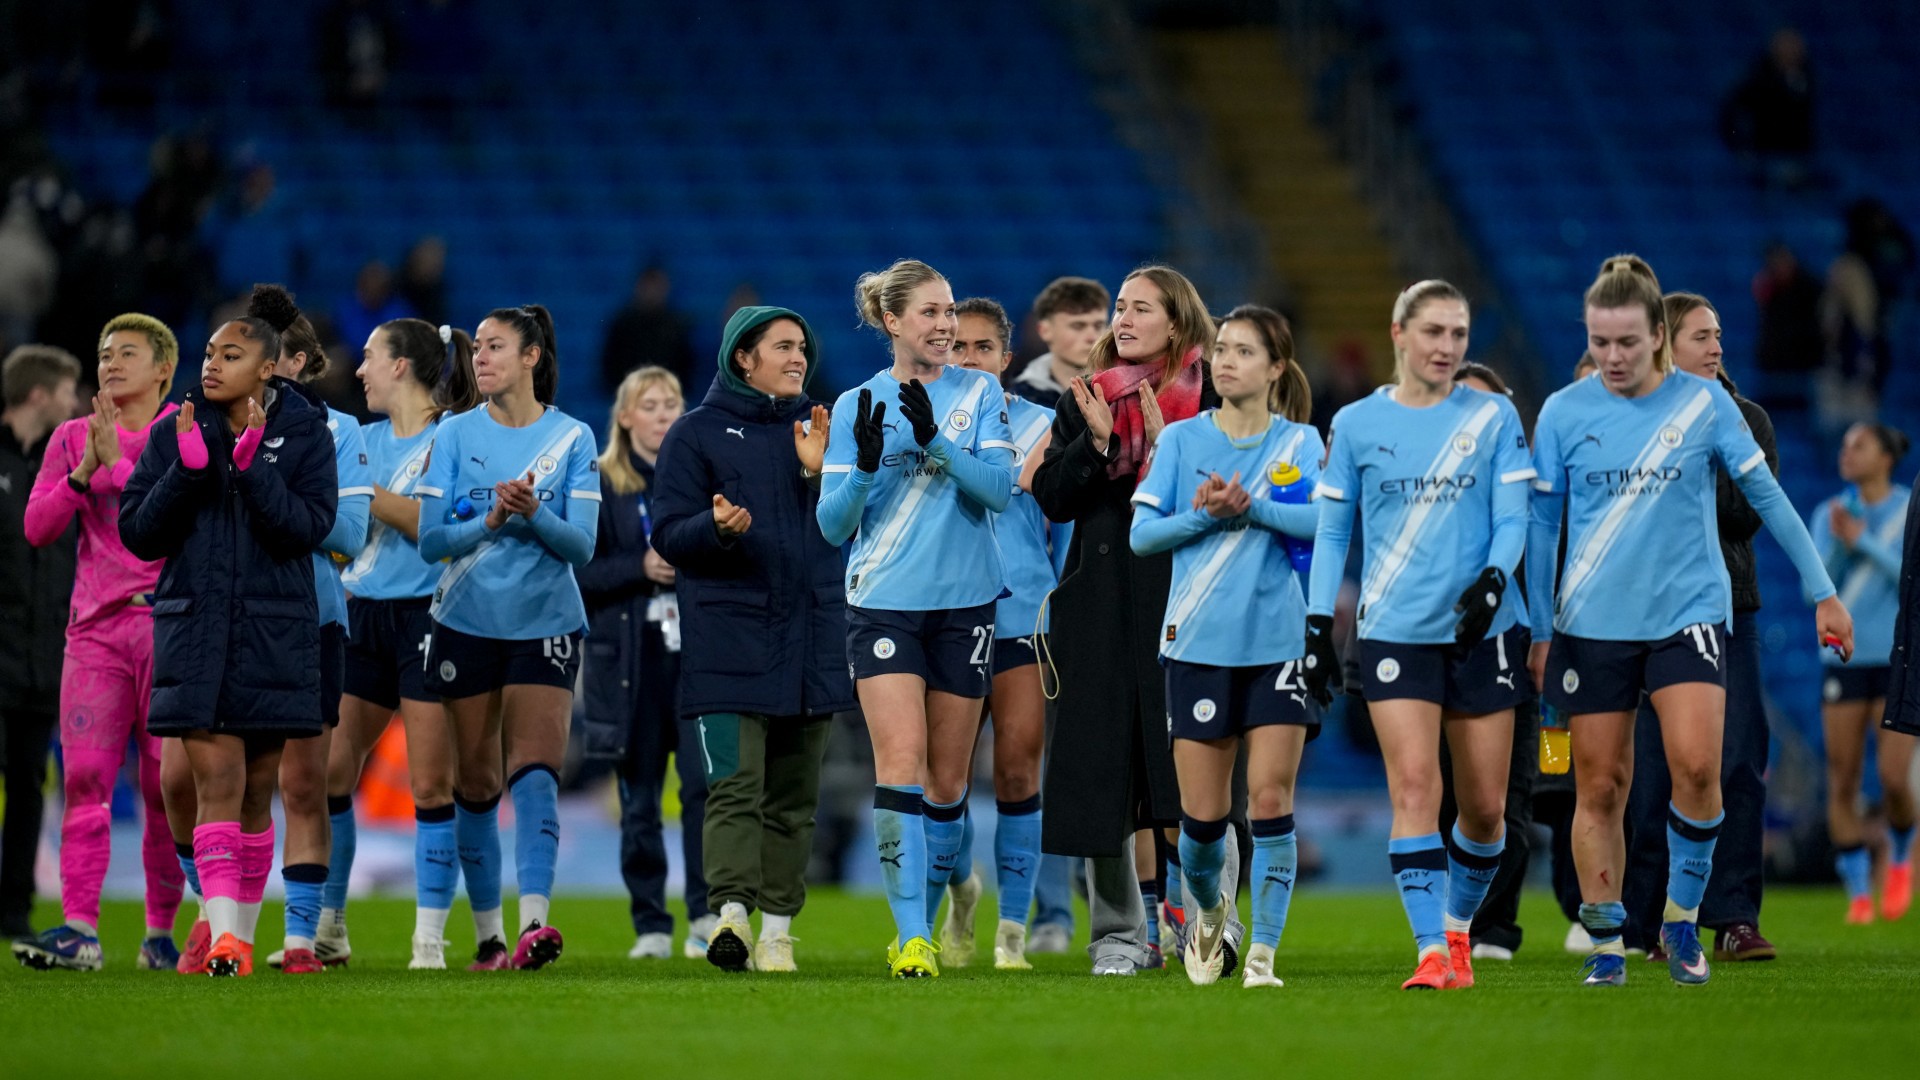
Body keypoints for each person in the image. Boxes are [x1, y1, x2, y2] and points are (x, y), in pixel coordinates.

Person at [1526, 255, 1851, 989]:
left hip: (1689, 615)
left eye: (1627, 343)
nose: (1612, 358)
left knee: (1700, 771)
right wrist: (1540, 627)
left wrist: (1822, 590)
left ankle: (1681, 916)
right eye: (1599, 342)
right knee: (1600, 787)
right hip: (1592, 625)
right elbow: (1543, 524)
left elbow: (1766, 498)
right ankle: (1608, 942)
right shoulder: (1563, 412)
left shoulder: (1704, 406)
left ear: (1658, 339)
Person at [1305, 281, 1534, 991]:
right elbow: (1334, 530)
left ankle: (1461, 928)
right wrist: (1318, 624)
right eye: (1433, 331)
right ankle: (1432, 949)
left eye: (1459, 334)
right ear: (1399, 333)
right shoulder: (1356, 423)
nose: (1446, 347)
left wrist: (1495, 579)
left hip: (1483, 630)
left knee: (1487, 811)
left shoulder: (1494, 416)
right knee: (1412, 786)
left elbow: (1514, 516)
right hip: (1394, 631)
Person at [120, 287, 340, 976]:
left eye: (232, 354)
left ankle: (233, 939)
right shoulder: (176, 427)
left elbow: (311, 527)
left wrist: (252, 475)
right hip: (197, 629)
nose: (211, 364)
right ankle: (225, 939)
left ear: (270, 367)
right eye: (211, 352)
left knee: (255, 789)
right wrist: (186, 475)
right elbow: (138, 534)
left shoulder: (305, 434)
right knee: (215, 777)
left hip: (276, 632)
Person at [817, 260, 1015, 978]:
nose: (944, 325)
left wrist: (934, 444)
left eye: (951, 311)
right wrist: (866, 468)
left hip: (966, 605)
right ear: (892, 321)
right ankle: (912, 938)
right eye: (930, 312)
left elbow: (998, 492)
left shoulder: (982, 391)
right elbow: (834, 527)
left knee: (947, 786)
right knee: (900, 765)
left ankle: (955, 889)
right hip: (884, 605)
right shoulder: (854, 406)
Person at [166, 295, 373, 976]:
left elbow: (340, 532)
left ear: (299, 363)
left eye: (271, 356)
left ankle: (300, 936)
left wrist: (259, 484)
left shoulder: (330, 430)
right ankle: (215, 915)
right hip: (218, 620)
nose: (270, 370)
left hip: (307, 618)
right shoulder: (195, 422)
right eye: (220, 352)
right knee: (186, 781)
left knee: (298, 783)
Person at [650, 305, 854, 973]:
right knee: (735, 788)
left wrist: (820, 475)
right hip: (729, 642)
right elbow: (668, 537)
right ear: (744, 356)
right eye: (785, 346)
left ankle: (778, 932)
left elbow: (852, 528)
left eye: (803, 348)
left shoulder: (825, 431)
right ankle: (730, 914)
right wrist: (717, 529)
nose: (800, 358)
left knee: (795, 803)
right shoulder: (696, 435)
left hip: (813, 639)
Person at [1031, 265, 1220, 977]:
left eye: (1141, 308)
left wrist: (1177, 450)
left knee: (1195, 774)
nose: (1123, 318)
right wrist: (1097, 443)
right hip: (1102, 603)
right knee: (1100, 774)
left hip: (1189, 601)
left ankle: (1209, 921)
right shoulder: (1088, 397)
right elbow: (1052, 495)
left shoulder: (1212, 402)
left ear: (1177, 324)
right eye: (1120, 306)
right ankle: (1116, 933)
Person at [1131, 304, 1319, 989]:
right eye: (1222, 350)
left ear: (1276, 368)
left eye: (1244, 351)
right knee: (1202, 827)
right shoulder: (1181, 443)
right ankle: (1209, 909)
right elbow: (1142, 537)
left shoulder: (1301, 444)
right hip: (1197, 644)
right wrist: (1202, 516)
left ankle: (1263, 955)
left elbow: (1326, 523)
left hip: (1277, 644)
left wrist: (1255, 509)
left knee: (1270, 801)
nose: (1226, 361)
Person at [416, 305, 601, 971]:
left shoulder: (574, 438)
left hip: (545, 621)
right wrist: (493, 518)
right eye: (478, 348)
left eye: (496, 347)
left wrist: (535, 516)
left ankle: (533, 926)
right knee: (475, 779)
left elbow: (581, 546)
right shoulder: (455, 434)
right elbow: (432, 539)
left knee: (536, 770)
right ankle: (490, 937)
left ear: (532, 357)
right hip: (465, 619)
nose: (480, 358)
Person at [13, 315, 185, 972]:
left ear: (162, 370)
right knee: (84, 778)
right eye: (105, 353)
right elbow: (37, 526)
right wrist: (85, 470)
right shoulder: (68, 439)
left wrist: (116, 467)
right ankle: (80, 928)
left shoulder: (182, 435)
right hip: (96, 635)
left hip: (169, 625)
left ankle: (159, 935)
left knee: (162, 786)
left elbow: (172, 522)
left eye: (127, 354)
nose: (110, 363)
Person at [1620, 293, 1782, 964]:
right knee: (1653, 773)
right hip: (1650, 617)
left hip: (1728, 612)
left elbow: (1747, 515)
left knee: (1738, 761)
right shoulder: (1627, 420)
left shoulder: (1747, 420)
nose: (1716, 347)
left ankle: (1735, 917)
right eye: (1700, 336)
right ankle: (1651, 919)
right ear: (1665, 344)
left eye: (1717, 335)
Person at [326, 317, 479, 970]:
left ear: (401, 366)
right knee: (329, 770)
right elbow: (342, 529)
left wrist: (361, 496)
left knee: (430, 781)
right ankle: (329, 924)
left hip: (429, 616)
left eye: (368, 357)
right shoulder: (359, 437)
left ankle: (428, 939)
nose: (358, 370)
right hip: (363, 612)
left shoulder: (457, 439)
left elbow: (432, 527)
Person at [949, 297, 1072, 970]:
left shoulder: (1044, 427)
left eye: (982, 348)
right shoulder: (926, 425)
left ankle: (1012, 930)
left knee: (1020, 767)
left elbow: (1069, 535)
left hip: (1023, 615)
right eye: (957, 347)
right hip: (946, 618)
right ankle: (961, 888)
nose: (968, 358)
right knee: (948, 778)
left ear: (1006, 359)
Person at [579, 366, 715, 960]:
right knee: (637, 799)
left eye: (671, 403)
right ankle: (651, 924)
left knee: (703, 792)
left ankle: (706, 915)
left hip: (697, 661)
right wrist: (641, 567)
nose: (663, 414)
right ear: (626, 416)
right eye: (650, 404)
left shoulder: (696, 477)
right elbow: (577, 571)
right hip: (630, 662)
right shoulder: (602, 484)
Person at [1437, 360, 1541, 964]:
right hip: (1442, 645)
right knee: (1448, 794)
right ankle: (1452, 924)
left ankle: (1496, 924)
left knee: (1517, 791)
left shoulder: (1517, 489)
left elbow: (1547, 563)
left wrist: (1548, 639)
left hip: (1519, 650)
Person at [1811, 423, 1913, 924]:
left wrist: (1863, 541)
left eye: (1859, 445)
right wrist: (1840, 539)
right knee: (1843, 777)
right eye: (1844, 444)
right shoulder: (1828, 512)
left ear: (1886, 457)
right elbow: (1819, 581)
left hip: (1898, 657)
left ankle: (1898, 855)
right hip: (1843, 658)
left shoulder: (1909, 508)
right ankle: (1857, 894)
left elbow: (1910, 578)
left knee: (1895, 777)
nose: (1846, 453)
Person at [0, 346, 80, 941]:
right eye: (66, 392)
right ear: (38, 395)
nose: (72, 404)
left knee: (29, 785)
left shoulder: (61, 469)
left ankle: (15, 911)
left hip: (44, 660)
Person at [1011, 276, 1110, 409]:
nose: (1092, 337)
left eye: (1098, 325)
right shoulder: (1018, 399)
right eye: (1078, 326)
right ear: (1044, 330)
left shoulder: (1128, 393)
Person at [600, 266, 697, 397]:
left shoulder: (677, 326)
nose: (652, 292)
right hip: (629, 396)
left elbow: (686, 368)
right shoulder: (622, 324)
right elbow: (610, 367)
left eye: (656, 286)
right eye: (648, 286)